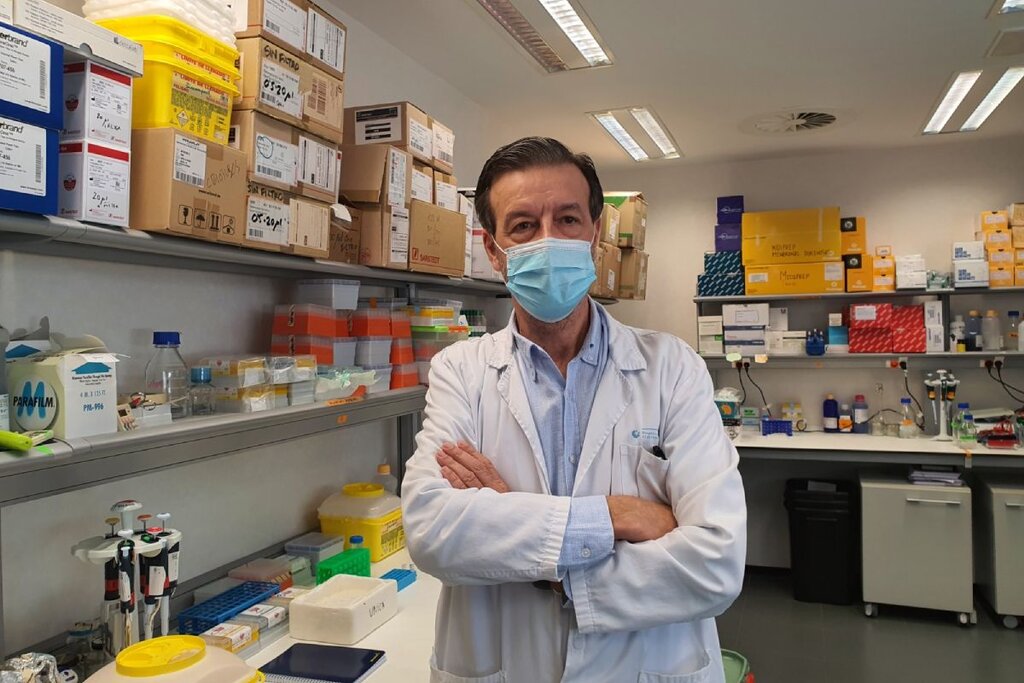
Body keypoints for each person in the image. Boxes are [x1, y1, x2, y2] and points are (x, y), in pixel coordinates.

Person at [402, 137, 746, 683]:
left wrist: (526, 539)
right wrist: (617, 516)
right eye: (522, 226)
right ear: (495, 253)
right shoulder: (460, 371)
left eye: (566, 219)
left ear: (595, 235)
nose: (549, 239)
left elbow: (715, 565)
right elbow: (433, 532)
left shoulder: (672, 366)